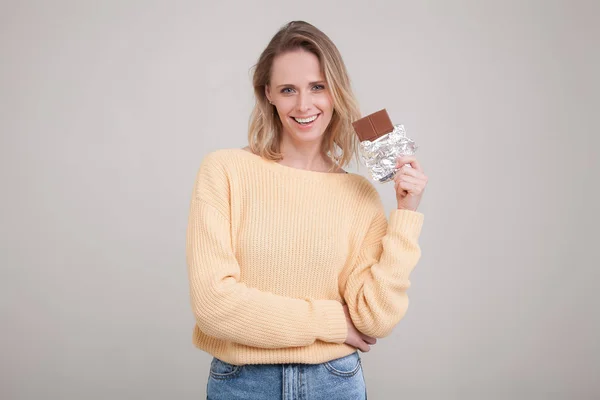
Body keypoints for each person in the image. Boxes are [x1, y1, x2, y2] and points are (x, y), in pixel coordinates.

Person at [186, 20, 428, 400]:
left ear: (335, 91)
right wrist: (334, 321)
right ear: (268, 94)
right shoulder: (225, 171)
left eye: (318, 87)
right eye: (288, 90)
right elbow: (214, 307)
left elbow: (374, 319)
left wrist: (406, 213)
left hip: (334, 381)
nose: (304, 105)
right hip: (243, 383)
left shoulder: (358, 193)